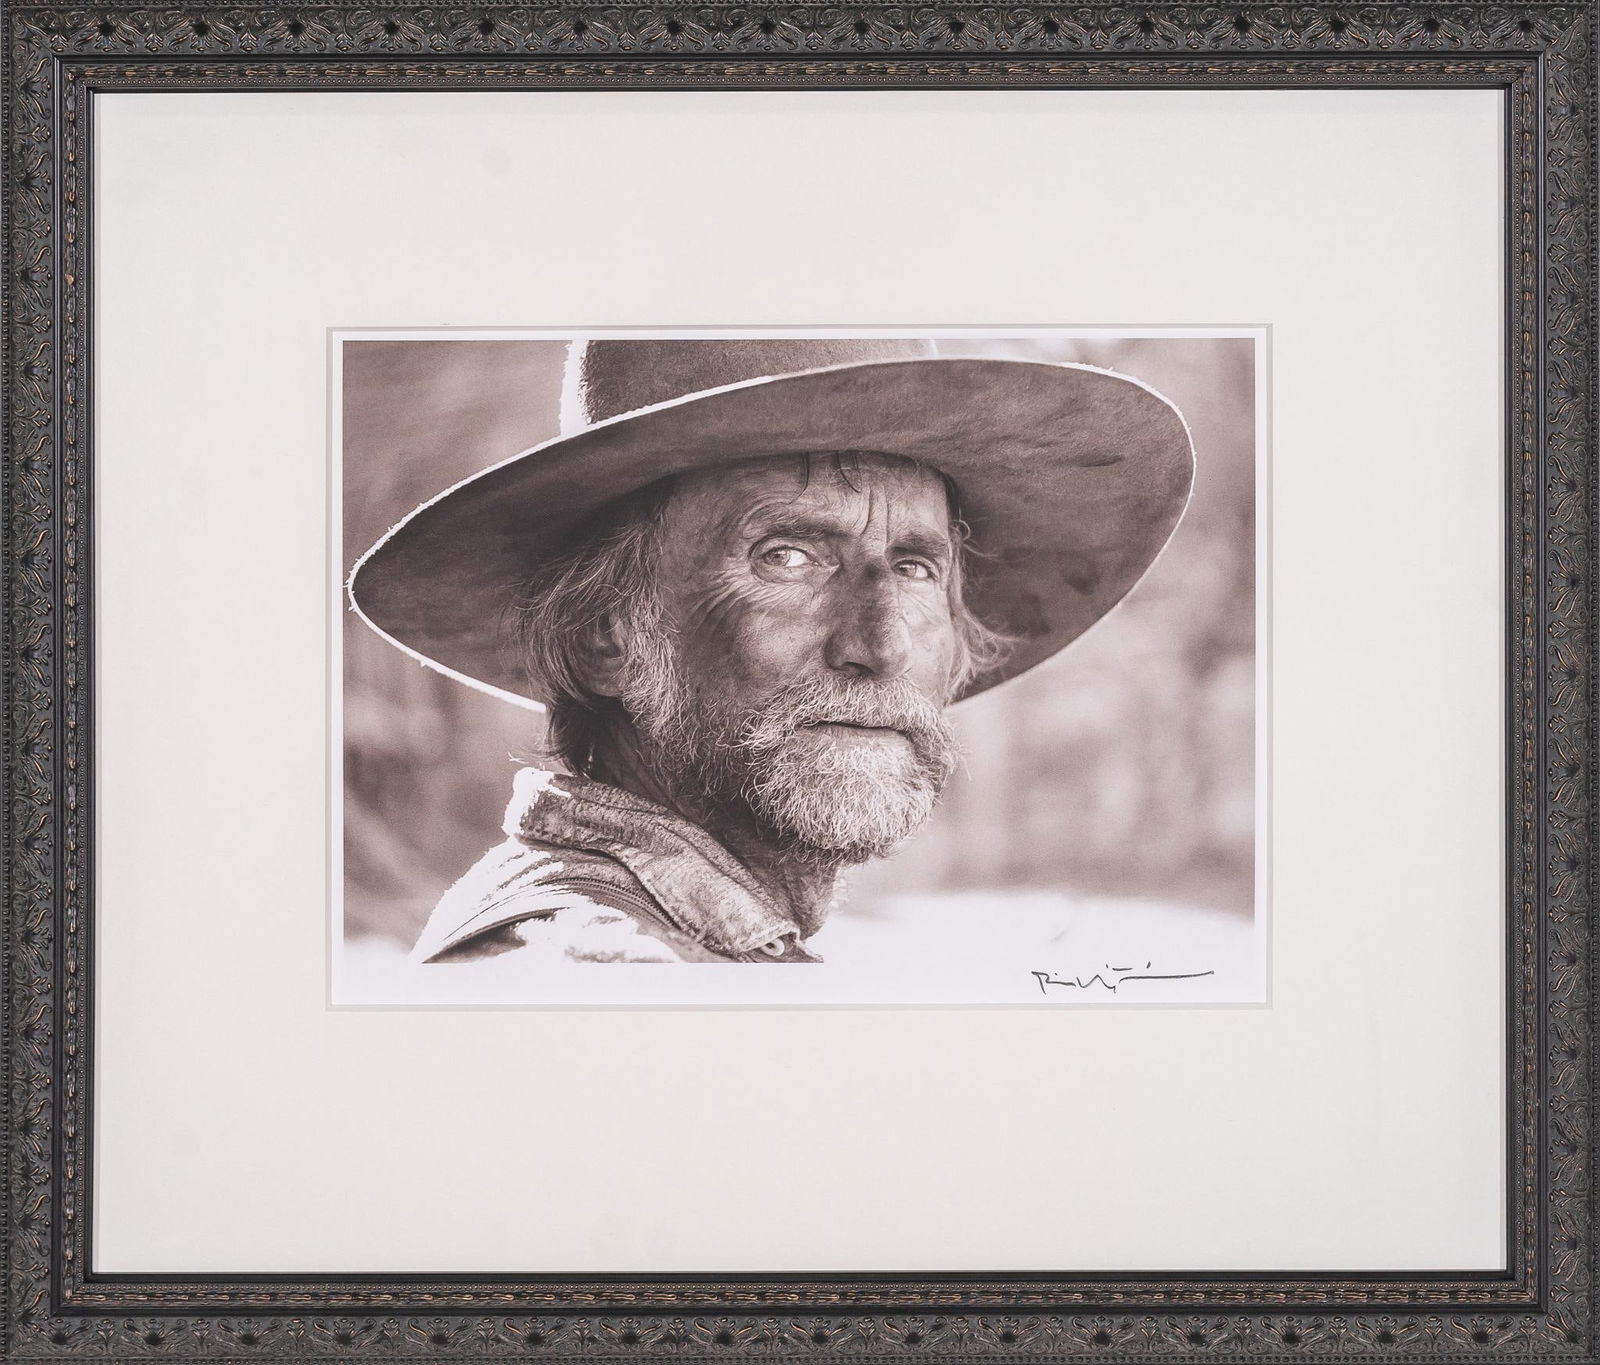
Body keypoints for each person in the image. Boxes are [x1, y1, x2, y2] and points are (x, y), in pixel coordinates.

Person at [347, 337, 1193, 964]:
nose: (881, 642)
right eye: (787, 557)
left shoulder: (710, 950)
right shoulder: (576, 973)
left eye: (914, 566)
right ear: (603, 634)